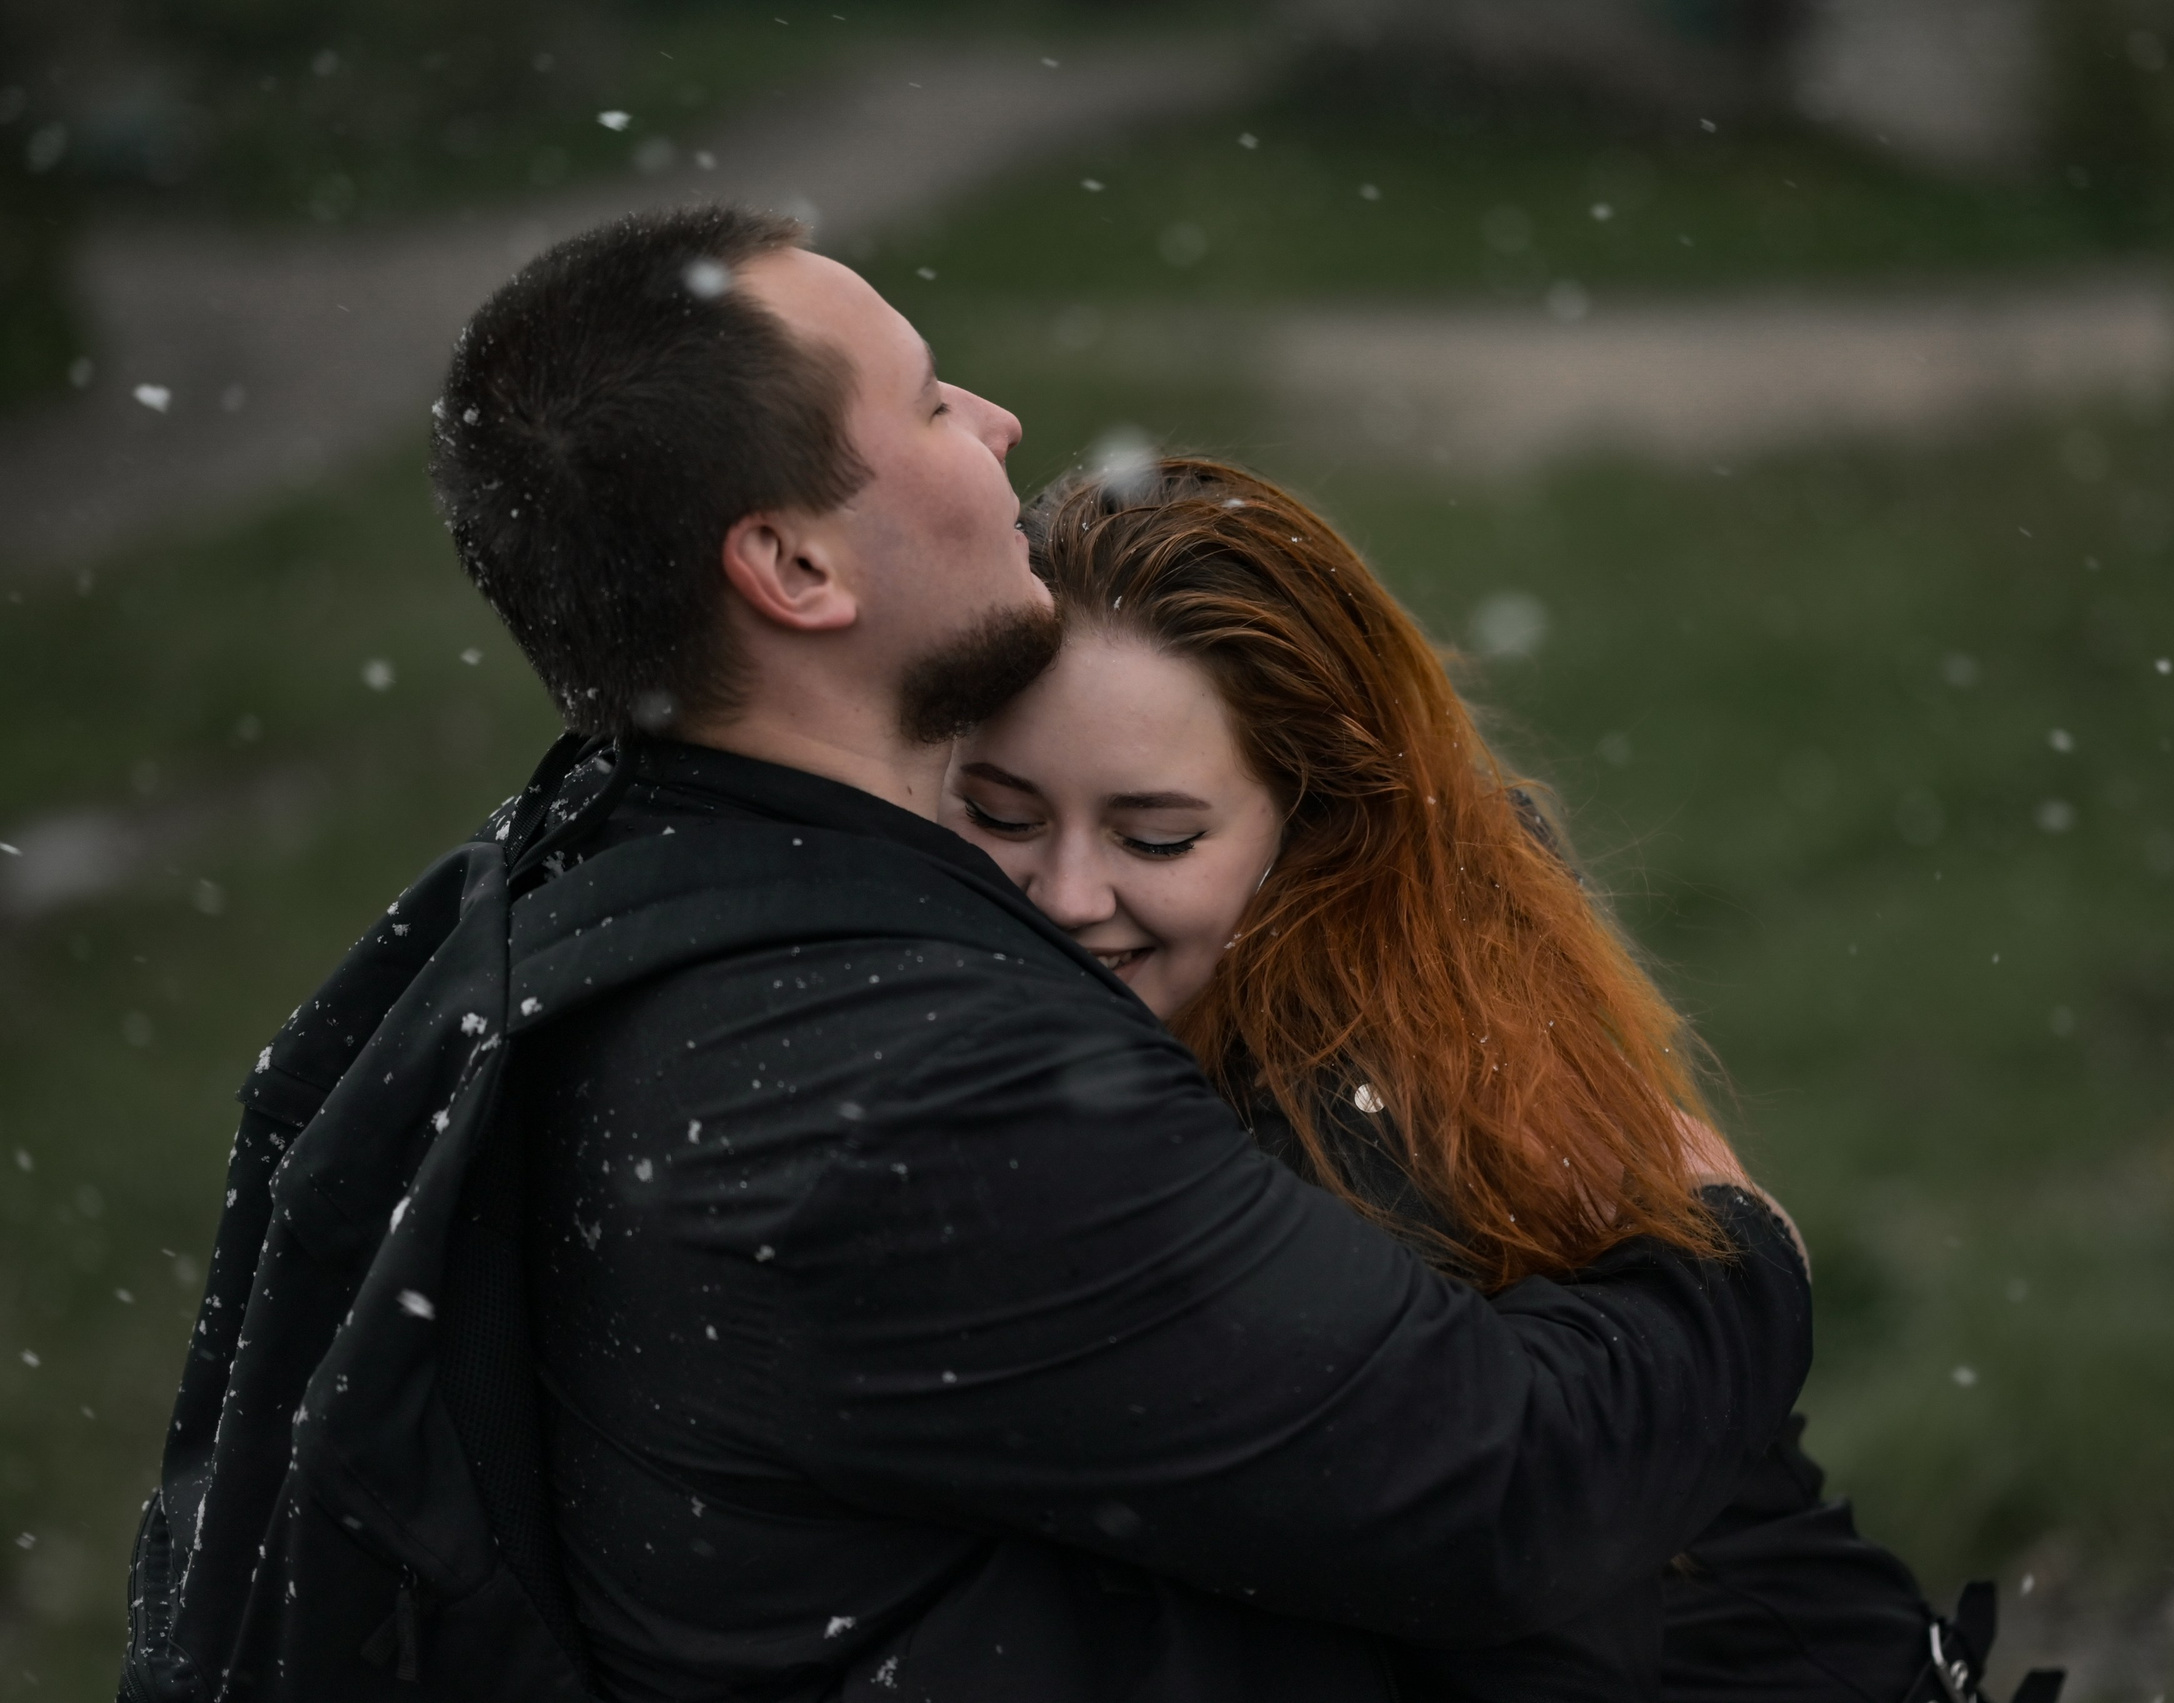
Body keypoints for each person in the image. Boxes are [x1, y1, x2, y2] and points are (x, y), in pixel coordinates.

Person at [401, 205, 1809, 1701]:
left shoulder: (614, 874)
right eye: (931, 403)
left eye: (1156, 832)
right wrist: (1733, 1252)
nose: (996, 422)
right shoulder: (927, 1092)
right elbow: (1506, 1490)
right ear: (795, 565)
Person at [940, 455, 1986, 1702]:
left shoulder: (1369, 1106)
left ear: (1310, 828)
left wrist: (1745, 1263)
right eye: (1001, 814)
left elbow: (1523, 1552)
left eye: (1154, 836)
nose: (1065, 894)